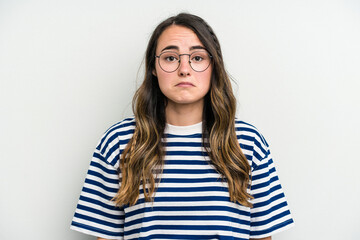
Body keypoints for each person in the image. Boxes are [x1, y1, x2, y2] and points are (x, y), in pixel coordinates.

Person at [70, 13, 294, 240]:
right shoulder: (119, 141)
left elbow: (262, 236)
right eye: (170, 58)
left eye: (197, 58)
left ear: (213, 66)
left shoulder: (247, 142)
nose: (184, 69)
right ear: (153, 68)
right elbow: (105, 236)